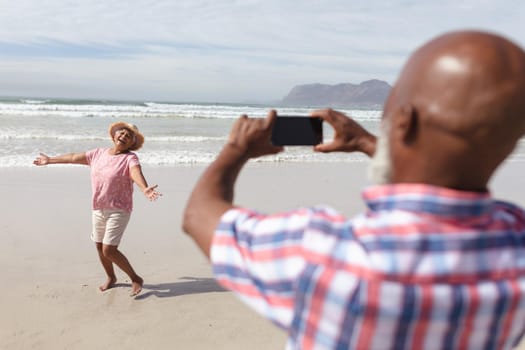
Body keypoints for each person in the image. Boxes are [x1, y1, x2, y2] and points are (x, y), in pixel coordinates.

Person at [182, 30, 525, 349]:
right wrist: (369, 143)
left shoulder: (328, 254)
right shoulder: (515, 243)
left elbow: (200, 215)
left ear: (403, 122)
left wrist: (235, 150)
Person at [34, 122, 161, 297]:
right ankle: (111, 277)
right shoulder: (97, 154)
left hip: (119, 209)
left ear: (132, 143)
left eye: (129, 136)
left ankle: (135, 278)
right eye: (121, 133)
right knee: (99, 246)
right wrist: (50, 160)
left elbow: (135, 172)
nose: (124, 136)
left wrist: (144, 188)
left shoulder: (130, 158)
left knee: (109, 250)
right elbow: (72, 157)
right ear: (114, 135)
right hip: (98, 207)